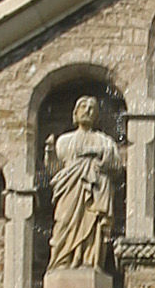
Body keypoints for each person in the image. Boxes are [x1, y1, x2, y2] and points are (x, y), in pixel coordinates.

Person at [44, 95, 123, 272]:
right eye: (83, 107)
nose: (87, 111)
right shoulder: (64, 141)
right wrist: (49, 152)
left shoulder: (105, 141)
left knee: (94, 225)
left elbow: (117, 166)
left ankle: (90, 260)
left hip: (96, 188)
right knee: (64, 222)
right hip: (70, 188)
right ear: (75, 113)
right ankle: (62, 260)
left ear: (96, 115)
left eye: (92, 108)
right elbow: (54, 170)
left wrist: (99, 161)